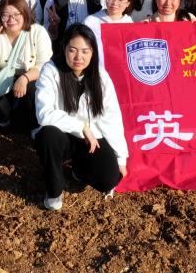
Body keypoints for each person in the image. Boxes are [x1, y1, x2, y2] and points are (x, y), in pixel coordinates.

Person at [35, 24, 128, 211]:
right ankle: (54, 191)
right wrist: (82, 127)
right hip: (63, 136)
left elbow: (112, 118)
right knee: (47, 135)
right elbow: (44, 113)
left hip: (91, 139)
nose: (79, 57)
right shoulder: (51, 70)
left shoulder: (99, 75)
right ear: (64, 48)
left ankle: (77, 169)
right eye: (73, 50)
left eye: (85, 51)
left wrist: (121, 158)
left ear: (93, 52)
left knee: (109, 179)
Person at [0, 0, 53, 130]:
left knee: (33, 88)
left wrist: (25, 78)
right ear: (0, 16)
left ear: (25, 14)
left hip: (28, 81)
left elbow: (44, 65)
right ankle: (5, 119)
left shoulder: (38, 32)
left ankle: (29, 123)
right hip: (2, 82)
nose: (11, 19)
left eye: (17, 14)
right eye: (5, 15)